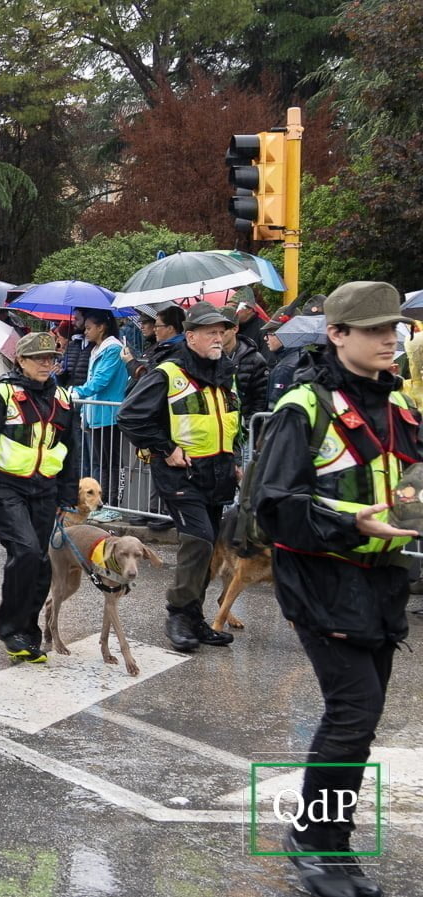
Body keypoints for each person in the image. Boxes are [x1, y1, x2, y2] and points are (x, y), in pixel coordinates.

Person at [253, 282, 417, 897]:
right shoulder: (303, 407)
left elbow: (410, 487)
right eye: (374, 329)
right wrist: (351, 523)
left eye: (393, 328)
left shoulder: (399, 407)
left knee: (360, 717)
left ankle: (330, 839)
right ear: (337, 334)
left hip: (383, 580)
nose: (389, 339)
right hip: (321, 579)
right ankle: (315, 842)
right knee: (353, 711)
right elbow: (274, 506)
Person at [118, 303, 240, 653]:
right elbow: (130, 416)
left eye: (221, 332)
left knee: (208, 545)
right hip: (181, 474)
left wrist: (234, 456)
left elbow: (231, 420)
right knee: (199, 541)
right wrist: (166, 448)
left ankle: (194, 617)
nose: (218, 338)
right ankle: (178, 614)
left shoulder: (225, 373)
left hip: (218, 473)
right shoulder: (168, 373)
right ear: (190, 337)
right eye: (210, 332)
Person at [0, 331, 80, 662]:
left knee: (41, 562)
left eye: (51, 358)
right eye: (38, 358)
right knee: (26, 551)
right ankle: (11, 629)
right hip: (6, 487)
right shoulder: (2, 396)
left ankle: (28, 631)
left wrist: (67, 496)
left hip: (45, 488)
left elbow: (71, 450)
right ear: (21, 360)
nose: (46, 364)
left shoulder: (63, 398)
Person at [72, 308, 129, 520]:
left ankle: (113, 506)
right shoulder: (96, 349)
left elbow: (101, 380)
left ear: (101, 327)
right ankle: (100, 506)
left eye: (89, 328)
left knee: (112, 463)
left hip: (110, 414)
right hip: (94, 414)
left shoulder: (113, 349)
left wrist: (77, 392)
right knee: (99, 463)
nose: (85, 331)